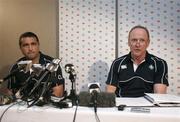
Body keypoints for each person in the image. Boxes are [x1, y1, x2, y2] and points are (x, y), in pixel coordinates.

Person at [106, 25, 169, 97]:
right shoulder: (117, 63)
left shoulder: (160, 64)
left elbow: (159, 96)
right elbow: (110, 93)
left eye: (142, 40)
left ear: (148, 43)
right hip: (122, 106)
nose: (137, 44)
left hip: (149, 107)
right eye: (134, 40)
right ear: (129, 43)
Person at [7, 32, 65, 101]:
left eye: (33, 44)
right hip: (22, 108)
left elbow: (58, 93)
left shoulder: (52, 65)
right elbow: (10, 93)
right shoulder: (16, 67)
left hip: (47, 108)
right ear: (21, 48)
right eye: (26, 45)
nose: (30, 48)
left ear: (38, 45)